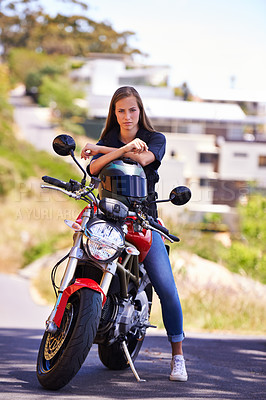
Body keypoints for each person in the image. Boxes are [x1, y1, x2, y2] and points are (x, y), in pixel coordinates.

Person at [81, 86, 188, 382]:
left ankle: (177, 356)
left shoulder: (156, 139)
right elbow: (93, 168)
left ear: (140, 111)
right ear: (113, 114)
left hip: (143, 219)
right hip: (107, 215)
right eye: (120, 111)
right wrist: (120, 148)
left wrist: (106, 150)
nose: (126, 116)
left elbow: (143, 160)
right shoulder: (110, 138)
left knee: (166, 287)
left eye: (132, 110)